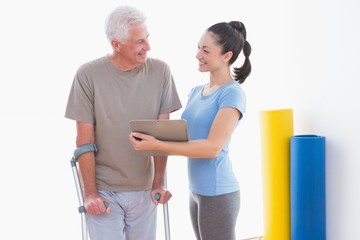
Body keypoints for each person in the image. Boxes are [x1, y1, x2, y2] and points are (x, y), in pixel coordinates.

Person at [65, 5, 182, 240]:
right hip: (105, 190)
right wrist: (90, 194)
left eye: (147, 38)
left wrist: (158, 183)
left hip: (144, 189)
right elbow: (84, 140)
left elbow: (163, 135)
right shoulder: (88, 75)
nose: (147, 47)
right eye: (139, 42)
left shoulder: (161, 71)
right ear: (116, 44)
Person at [129, 21, 252, 240]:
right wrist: (150, 132)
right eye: (198, 48)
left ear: (227, 56)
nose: (198, 55)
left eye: (206, 50)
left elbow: (212, 147)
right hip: (196, 190)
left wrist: (157, 146)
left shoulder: (232, 94)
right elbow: (186, 136)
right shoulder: (196, 91)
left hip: (219, 191)